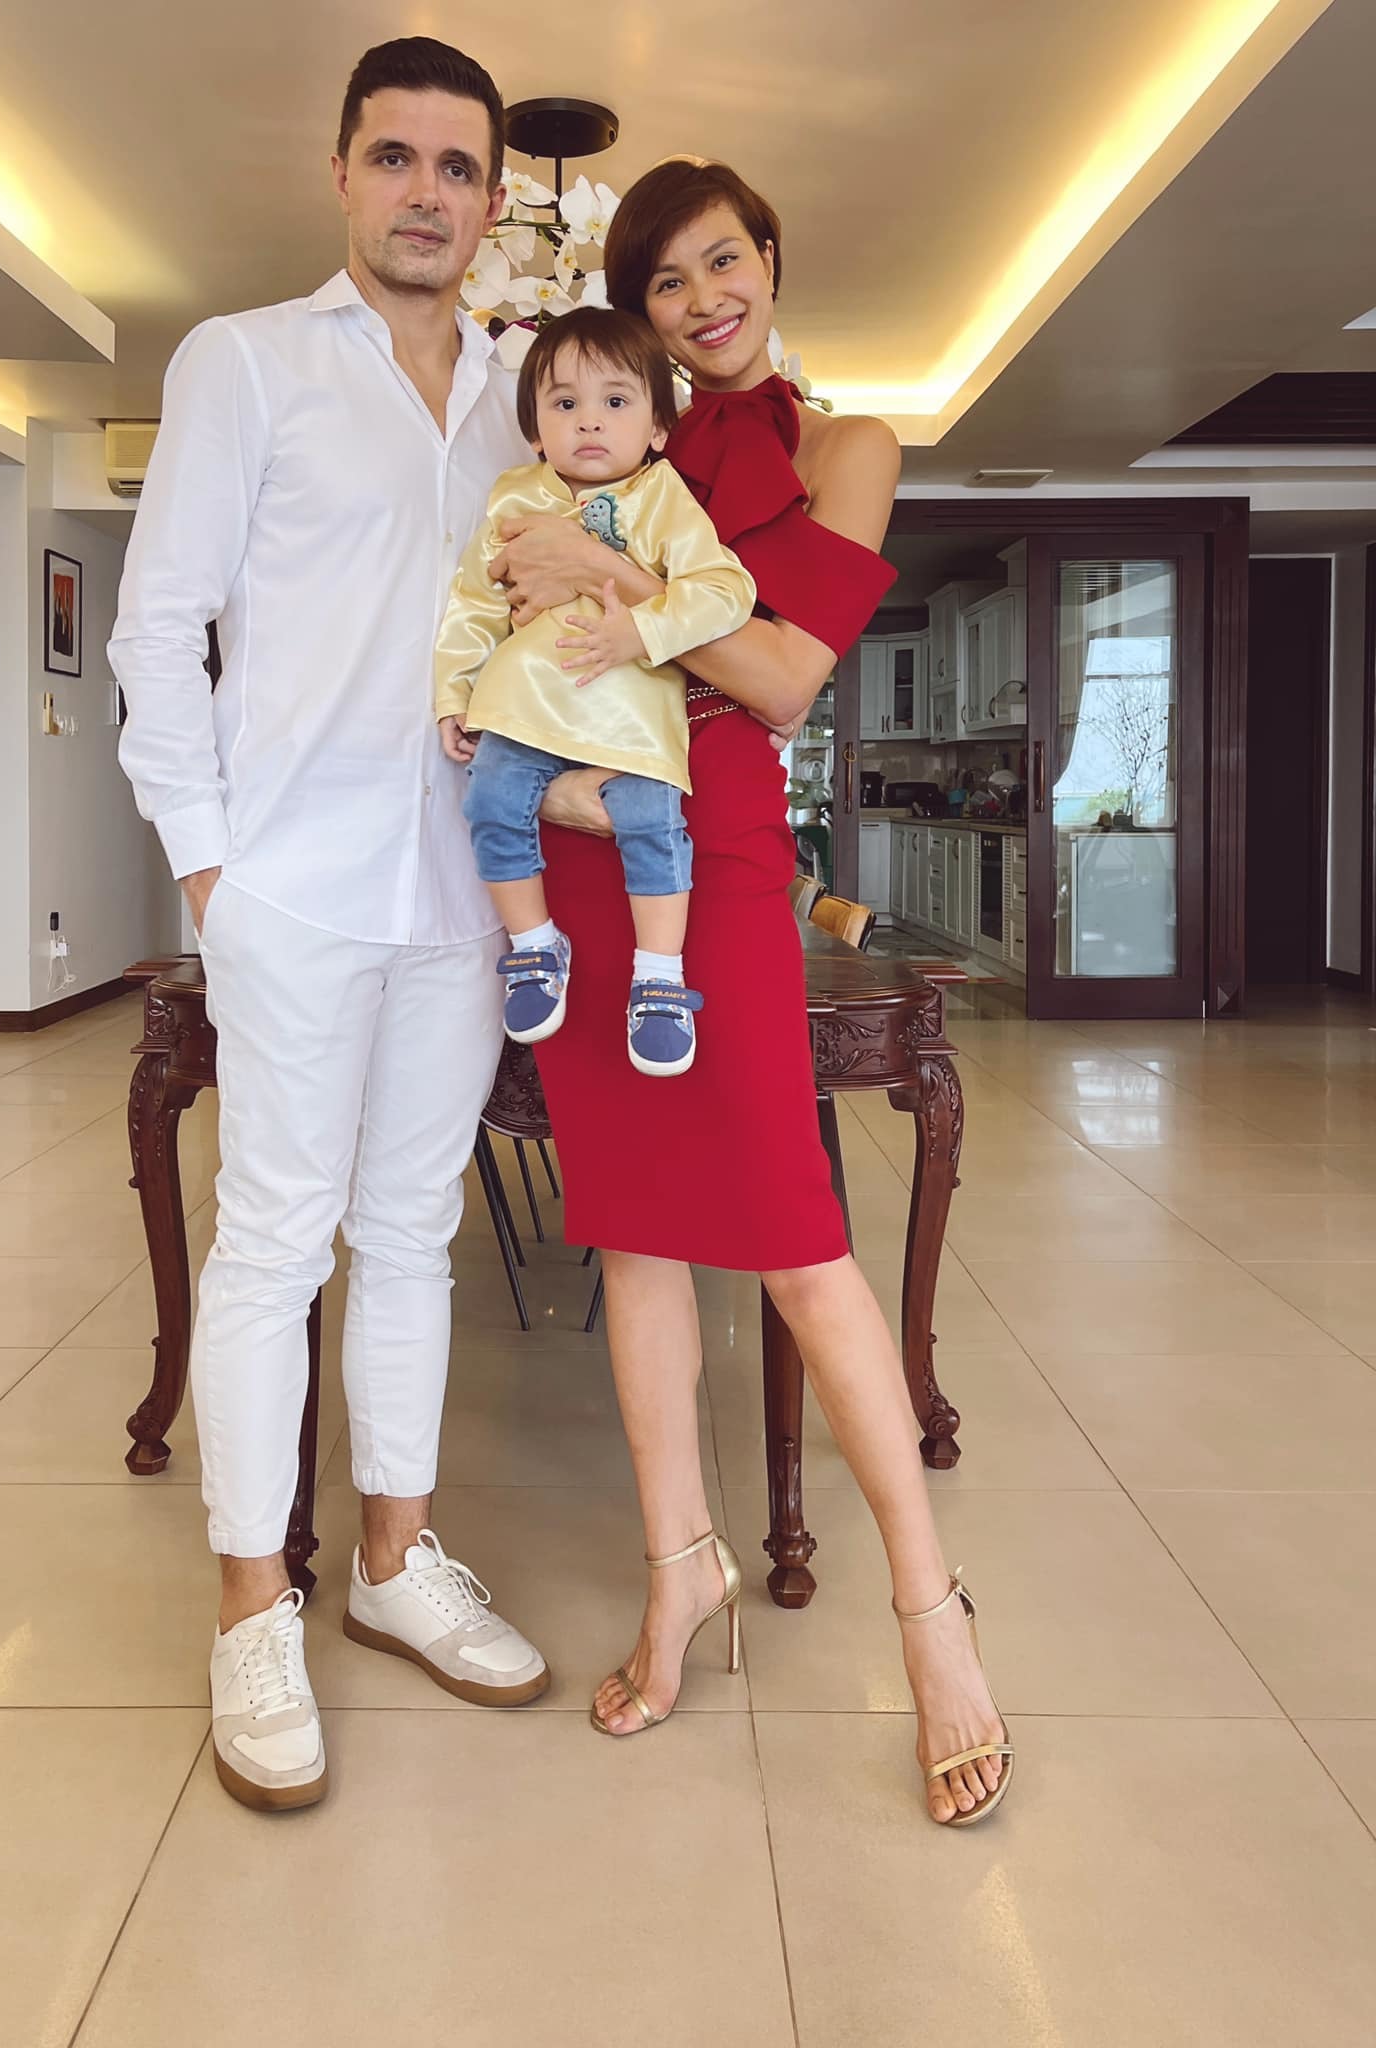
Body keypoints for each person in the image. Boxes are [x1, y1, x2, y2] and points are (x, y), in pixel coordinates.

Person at [495, 159, 1015, 1826]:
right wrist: (582, 591)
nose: (703, 299)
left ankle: (931, 1611)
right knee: (630, 1225)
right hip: (581, 836)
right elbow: (507, 621)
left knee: (796, 1237)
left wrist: (605, 579)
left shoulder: (846, 446)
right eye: (664, 282)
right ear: (636, 315)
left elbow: (784, 675)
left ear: (771, 260)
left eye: (723, 261)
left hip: (711, 849)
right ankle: (680, 1572)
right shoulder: (612, 444)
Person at [110, 37, 550, 1815]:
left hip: (467, 892)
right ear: (343, 172)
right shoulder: (245, 361)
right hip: (291, 887)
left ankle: (393, 1559)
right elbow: (160, 625)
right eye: (395, 157)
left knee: (413, 1237)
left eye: (458, 166)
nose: (426, 192)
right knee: (273, 1249)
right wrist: (211, 872)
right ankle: (250, 1613)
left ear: (497, 198)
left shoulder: (531, 398)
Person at [434, 307, 755, 1075]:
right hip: (525, 705)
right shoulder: (513, 499)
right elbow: (474, 603)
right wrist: (454, 692)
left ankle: (660, 977)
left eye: (615, 400)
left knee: (653, 823)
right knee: (488, 802)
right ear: (535, 430)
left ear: (657, 427)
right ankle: (534, 945)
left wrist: (642, 630)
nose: (589, 420)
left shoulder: (664, 498)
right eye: (564, 402)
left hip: (631, 712)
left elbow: (726, 590)